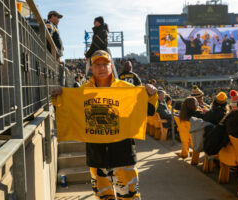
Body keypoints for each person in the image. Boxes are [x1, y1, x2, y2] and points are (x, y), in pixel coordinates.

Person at [52, 50, 158, 200]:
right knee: (103, 198)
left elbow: (149, 110)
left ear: (111, 66)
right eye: (97, 64)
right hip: (97, 157)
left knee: (130, 197)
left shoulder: (126, 89)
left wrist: (152, 95)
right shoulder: (82, 92)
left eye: (105, 64)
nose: (101, 68)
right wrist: (58, 98)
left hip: (123, 155)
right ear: (91, 68)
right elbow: (66, 112)